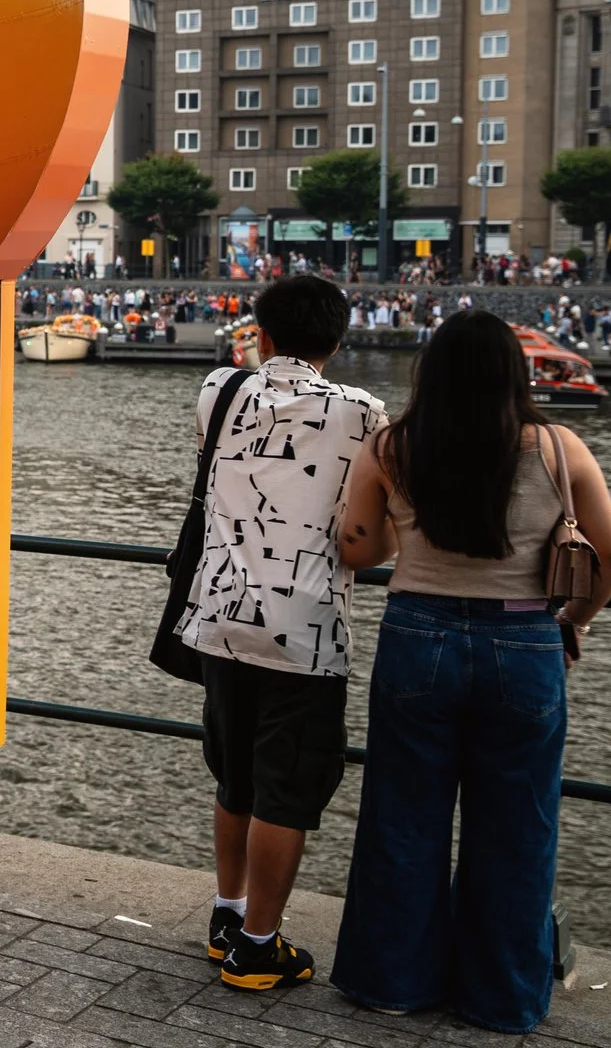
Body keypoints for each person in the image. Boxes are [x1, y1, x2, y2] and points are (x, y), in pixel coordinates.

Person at [330, 311, 611, 1031]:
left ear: (428, 373)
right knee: (517, 829)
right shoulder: (561, 448)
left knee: (403, 819)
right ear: (514, 374)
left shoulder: (392, 445)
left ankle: (391, 982)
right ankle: (501, 998)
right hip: (525, 639)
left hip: (417, 634)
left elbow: (355, 546)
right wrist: (575, 621)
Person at [174, 275, 385, 992]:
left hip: (222, 616)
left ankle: (226, 915)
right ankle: (258, 948)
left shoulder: (218, 391)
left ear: (260, 334)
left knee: (233, 776)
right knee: (284, 790)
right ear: (339, 339)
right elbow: (363, 522)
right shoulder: (364, 413)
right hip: (307, 628)